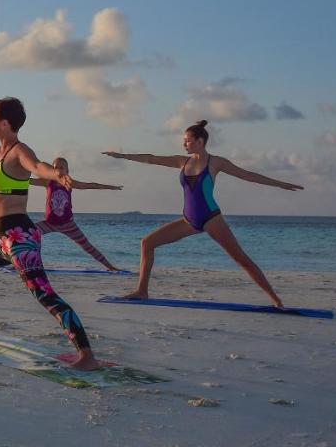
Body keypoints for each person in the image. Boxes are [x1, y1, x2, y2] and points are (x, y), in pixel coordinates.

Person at [0, 97, 98, 370]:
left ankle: (86, 355)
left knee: (44, 294)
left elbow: (38, 167)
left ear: (5, 122)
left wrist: (58, 172)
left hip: (20, 238)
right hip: (6, 241)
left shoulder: (19, 151)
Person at [104, 119, 303, 307]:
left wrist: (281, 185)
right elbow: (151, 158)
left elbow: (247, 175)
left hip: (211, 218)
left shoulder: (216, 163)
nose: (185, 145)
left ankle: (276, 301)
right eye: (183, 141)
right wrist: (122, 156)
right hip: (188, 220)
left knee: (241, 259)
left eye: (188, 141)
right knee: (147, 243)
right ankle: (142, 291)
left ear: (200, 141)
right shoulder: (182, 162)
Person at [29, 157, 123, 271]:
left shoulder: (69, 183)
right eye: (55, 167)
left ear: (67, 171)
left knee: (87, 246)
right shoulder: (48, 182)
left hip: (68, 224)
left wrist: (111, 187)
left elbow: (90, 185)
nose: (58, 169)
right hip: (50, 223)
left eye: (61, 167)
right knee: (27, 235)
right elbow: (27, 180)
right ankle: (21, 262)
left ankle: (110, 267)